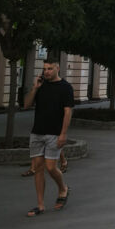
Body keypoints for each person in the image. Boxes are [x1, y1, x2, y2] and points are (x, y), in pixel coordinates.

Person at [23, 59, 73, 217]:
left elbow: (68, 112)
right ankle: (40, 205)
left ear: (57, 68)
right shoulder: (41, 85)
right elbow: (26, 105)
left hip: (54, 133)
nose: (46, 72)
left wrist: (63, 134)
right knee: (38, 168)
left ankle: (63, 188)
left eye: (50, 69)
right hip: (37, 132)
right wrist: (35, 88)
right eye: (45, 69)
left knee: (51, 168)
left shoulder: (65, 87)